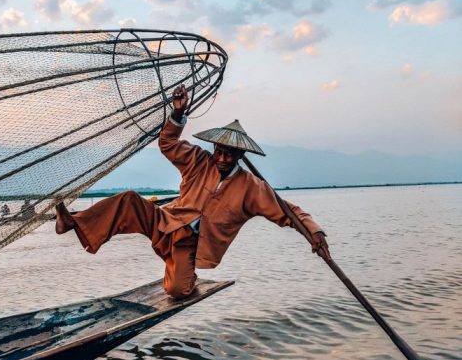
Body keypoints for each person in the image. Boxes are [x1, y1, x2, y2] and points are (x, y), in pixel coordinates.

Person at [56, 84, 329, 299]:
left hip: (192, 244)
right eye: (219, 152)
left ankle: (182, 276)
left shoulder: (251, 188)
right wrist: (177, 113)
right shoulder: (199, 160)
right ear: (214, 149)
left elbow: (287, 211)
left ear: (239, 155)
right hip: (166, 222)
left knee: (176, 291)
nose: (222, 159)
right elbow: (168, 143)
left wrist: (314, 232)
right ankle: (72, 222)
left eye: (229, 155)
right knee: (128, 200)